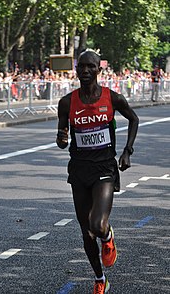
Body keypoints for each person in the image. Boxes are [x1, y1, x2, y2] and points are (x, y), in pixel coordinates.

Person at [56, 49, 139, 294]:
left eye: (90, 66)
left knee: (98, 224)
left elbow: (133, 119)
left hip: (104, 167)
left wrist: (127, 151)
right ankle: (100, 278)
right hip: (79, 170)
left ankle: (108, 234)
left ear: (98, 70)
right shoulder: (67, 103)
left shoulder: (112, 98)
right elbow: (62, 139)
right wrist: (61, 139)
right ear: (76, 70)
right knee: (86, 231)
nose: (85, 71)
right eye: (81, 67)